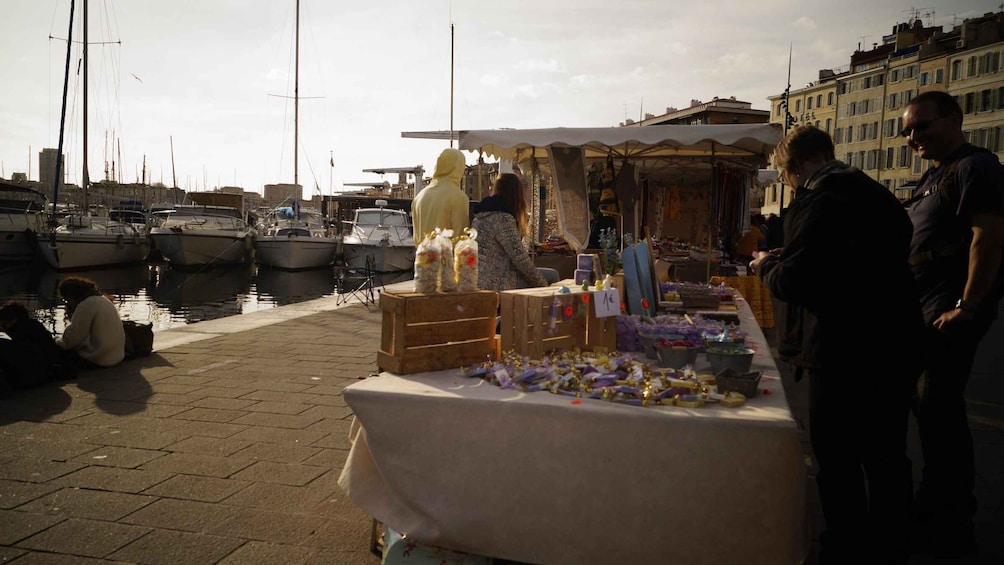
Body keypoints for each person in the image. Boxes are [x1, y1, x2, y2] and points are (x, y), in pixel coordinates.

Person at [749, 125, 924, 564]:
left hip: (842, 349)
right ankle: (893, 542)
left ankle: (844, 546)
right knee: (885, 455)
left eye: (786, 174)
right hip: (891, 342)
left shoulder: (823, 200)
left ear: (795, 165)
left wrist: (765, 266)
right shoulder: (876, 195)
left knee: (839, 460)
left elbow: (797, 279)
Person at [901, 90, 1004, 558]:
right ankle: (938, 505)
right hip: (924, 309)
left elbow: (987, 237)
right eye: (907, 129)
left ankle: (949, 517)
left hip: (947, 310)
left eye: (922, 125)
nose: (912, 136)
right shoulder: (935, 174)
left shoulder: (974, 167)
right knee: (931, 411)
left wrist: (967, 304)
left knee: (938, 408)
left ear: (954, 120)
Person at [472, 173, 549, 291]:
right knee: (552, 276)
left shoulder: (479, 216)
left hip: (478, 280)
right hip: (496, 284)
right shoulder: (503, 219)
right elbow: (520, 259)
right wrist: (544, 286)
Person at [57, 276, 125, 369]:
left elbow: (71, 341)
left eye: (66, 300)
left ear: (71, 296)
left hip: (99, 360)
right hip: (116, 357)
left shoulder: (86, 305)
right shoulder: (104, 300)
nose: (67, 303)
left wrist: (57, 340)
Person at [0, 301, 66, 397]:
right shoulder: (34, 327)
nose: (2, 328)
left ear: (14, 320)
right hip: (44, 375)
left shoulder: (20, 331)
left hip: (28, 378)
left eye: (3, 324)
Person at [411, 147, 470, 246]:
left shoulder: (419, 197)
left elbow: (416, 237)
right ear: (458, 168)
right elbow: (460, 238)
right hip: (446, 259)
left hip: (422, 258)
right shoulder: (458, 197)